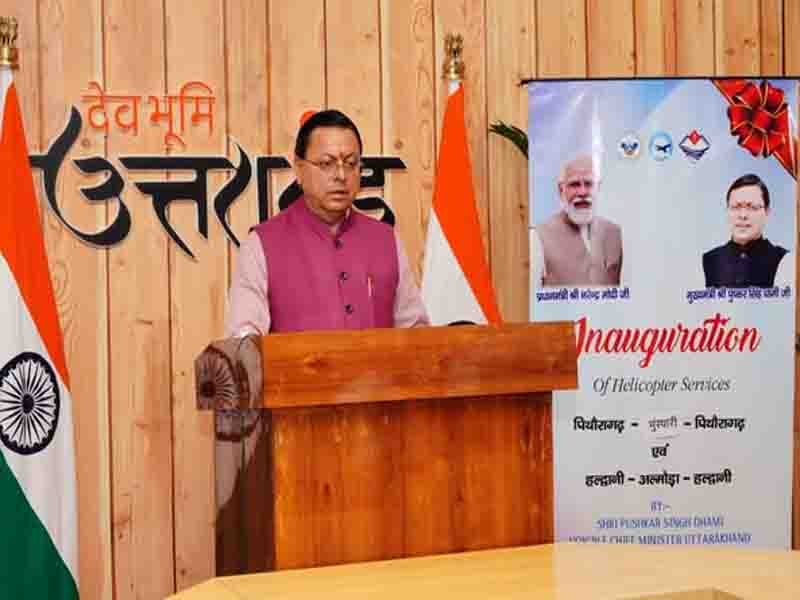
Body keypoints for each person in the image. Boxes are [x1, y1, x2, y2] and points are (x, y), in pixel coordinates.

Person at [226, 109, 429, 335]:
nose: (341, 175)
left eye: (350, 163)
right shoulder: (261, 245)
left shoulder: (385, 240)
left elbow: (416, 332)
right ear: (299, 169)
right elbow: (245, 341)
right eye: (326, 163)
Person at [531, 154, 622, 287]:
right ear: (561, 190)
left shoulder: (615, 233)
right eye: (574, 184)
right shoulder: (538, 236)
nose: (582, 192)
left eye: (589, 184)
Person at [703, 174, 791, 288]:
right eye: (736, 207)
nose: (743, 215)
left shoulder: (784, 260)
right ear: (727, 211)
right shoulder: (709, 261)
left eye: (752, 207)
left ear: (767, 212)